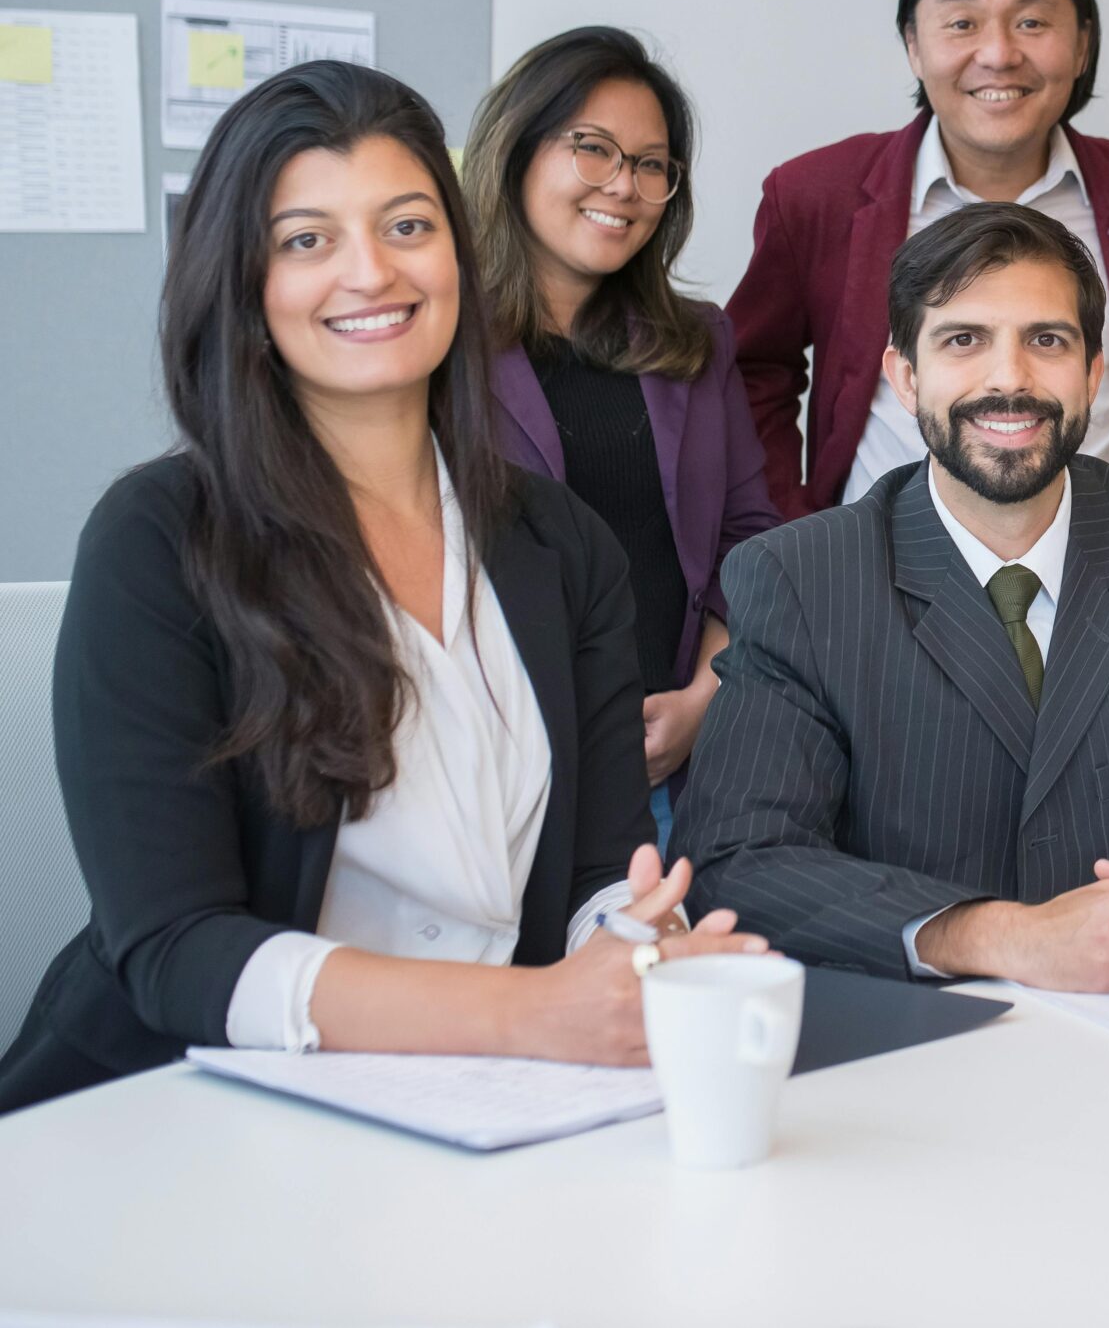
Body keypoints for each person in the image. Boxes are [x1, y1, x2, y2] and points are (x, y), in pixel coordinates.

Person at [0, 64, 761, 1115]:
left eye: (407, 225)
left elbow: (601, 872)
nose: (370, 272)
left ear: (457, 250)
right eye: (307, 239)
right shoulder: (160, 537)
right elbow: (176, 949)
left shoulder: (560, 542)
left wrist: (634, 942)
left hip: (487, 1107)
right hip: (176, 1113)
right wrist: (536, 1011)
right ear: (247, 285)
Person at [679, 202, 1109, 990]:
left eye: (1047, 340)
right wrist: (1005, 936)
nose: (1010, 378)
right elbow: (742, 861)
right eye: (964, 340)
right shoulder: (803, 579)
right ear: (904, 375)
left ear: (1094, 374)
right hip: (915, 1053)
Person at [727, 0, 1109, 520]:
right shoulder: (814, 195)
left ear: (1082, 46)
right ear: (913, 44)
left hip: (1103, 582)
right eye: (961, 24)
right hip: (873, 585)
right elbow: (753, 378)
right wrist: (789, 542)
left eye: (1032, 23)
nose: (998, 54)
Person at [460, 27, 781, 838]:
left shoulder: (696, 342)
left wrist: (705, 698)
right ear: (517, 151)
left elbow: (750, 543)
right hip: (486, 768)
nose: (624, 185)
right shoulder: (439, 344)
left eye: (650, 164)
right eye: (594, 149)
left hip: (664, 768)